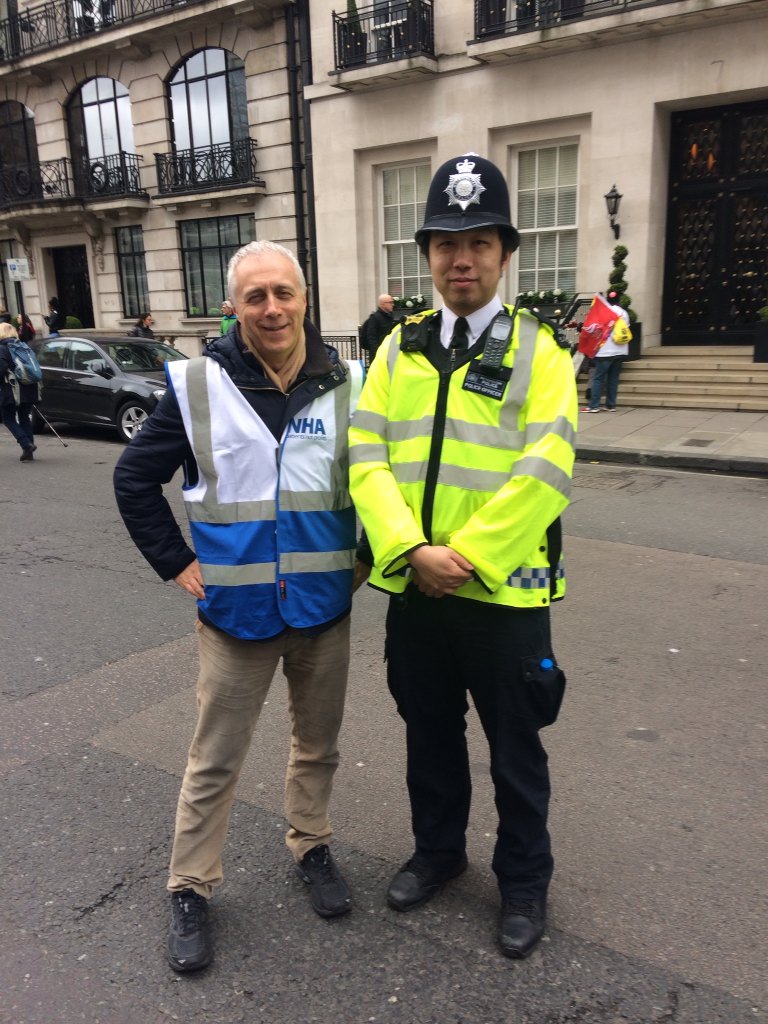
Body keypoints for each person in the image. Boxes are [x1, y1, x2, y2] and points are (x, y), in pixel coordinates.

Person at [114, 240, 368, 974]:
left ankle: (311, 845)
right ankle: (190, 886)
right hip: (236, 617)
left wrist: (363, 564)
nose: (271, 308)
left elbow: (380, 487)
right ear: (234, 306)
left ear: (305, 297)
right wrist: (178, 563)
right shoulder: (197, 387)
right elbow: (135, 480)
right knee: (215, 760)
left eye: (283, 292)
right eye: (254, 296)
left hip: (325, 609)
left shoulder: (350, 384)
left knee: (318, 745)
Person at [348, 154, 578, 960]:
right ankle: (439, 853)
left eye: (479, 242)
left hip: (503, 598)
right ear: (427, 255)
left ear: (505, 253)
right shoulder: (396, 349)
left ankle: (523, 883)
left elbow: (545, 472)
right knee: (429, 736)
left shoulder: (540, 352)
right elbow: (365, 456)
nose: (462, 259)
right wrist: (411, 548)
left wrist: (466, 557)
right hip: (416, 591)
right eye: (447, 243)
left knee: (517, 751)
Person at [586, 290, 630, 412]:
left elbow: (595, 329)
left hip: (605, 351)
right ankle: (611, 405)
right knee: (614, 378)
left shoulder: (603, 311)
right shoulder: (624, 313)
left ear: (606, 300)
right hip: (620, 350)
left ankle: (594, 405)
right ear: (619, 300)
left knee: (598, 378)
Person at [0, 322, 38, 462]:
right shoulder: (23, 346)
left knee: (8, 418)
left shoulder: (2, 348)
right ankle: (29, 450)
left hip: (11, 388)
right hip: (29, 387)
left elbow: (2, 368)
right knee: (24, 417)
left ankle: (26, 444)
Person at [361, 293, 396, 362]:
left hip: (388, 352)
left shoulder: (389, 316)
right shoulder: (375, 318)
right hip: (379, 356)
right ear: (382, 304)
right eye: (390, 302)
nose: (392, 304)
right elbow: (371, 337)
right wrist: (378, 353)